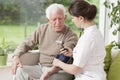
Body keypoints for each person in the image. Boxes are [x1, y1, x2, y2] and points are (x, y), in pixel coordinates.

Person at [12, 3, 78, 80]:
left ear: (65, 17)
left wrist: (47, 73)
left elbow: (65, 56)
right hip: (41, 68)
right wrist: (16, 56)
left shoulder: (70, 34)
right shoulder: (42, 29)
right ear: (48, 20)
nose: (58, 22)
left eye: (60, 18)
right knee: (19, 71)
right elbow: (26, 43)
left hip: (60, 70)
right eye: (54, 19)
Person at [53, 0, 106, 80]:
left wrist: (58, 63)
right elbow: (90, 57)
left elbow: (74, 69)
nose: (72, 20)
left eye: (73, 18)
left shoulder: (87, 38)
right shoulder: (96, 33)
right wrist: (73, 54)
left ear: (81, 18)